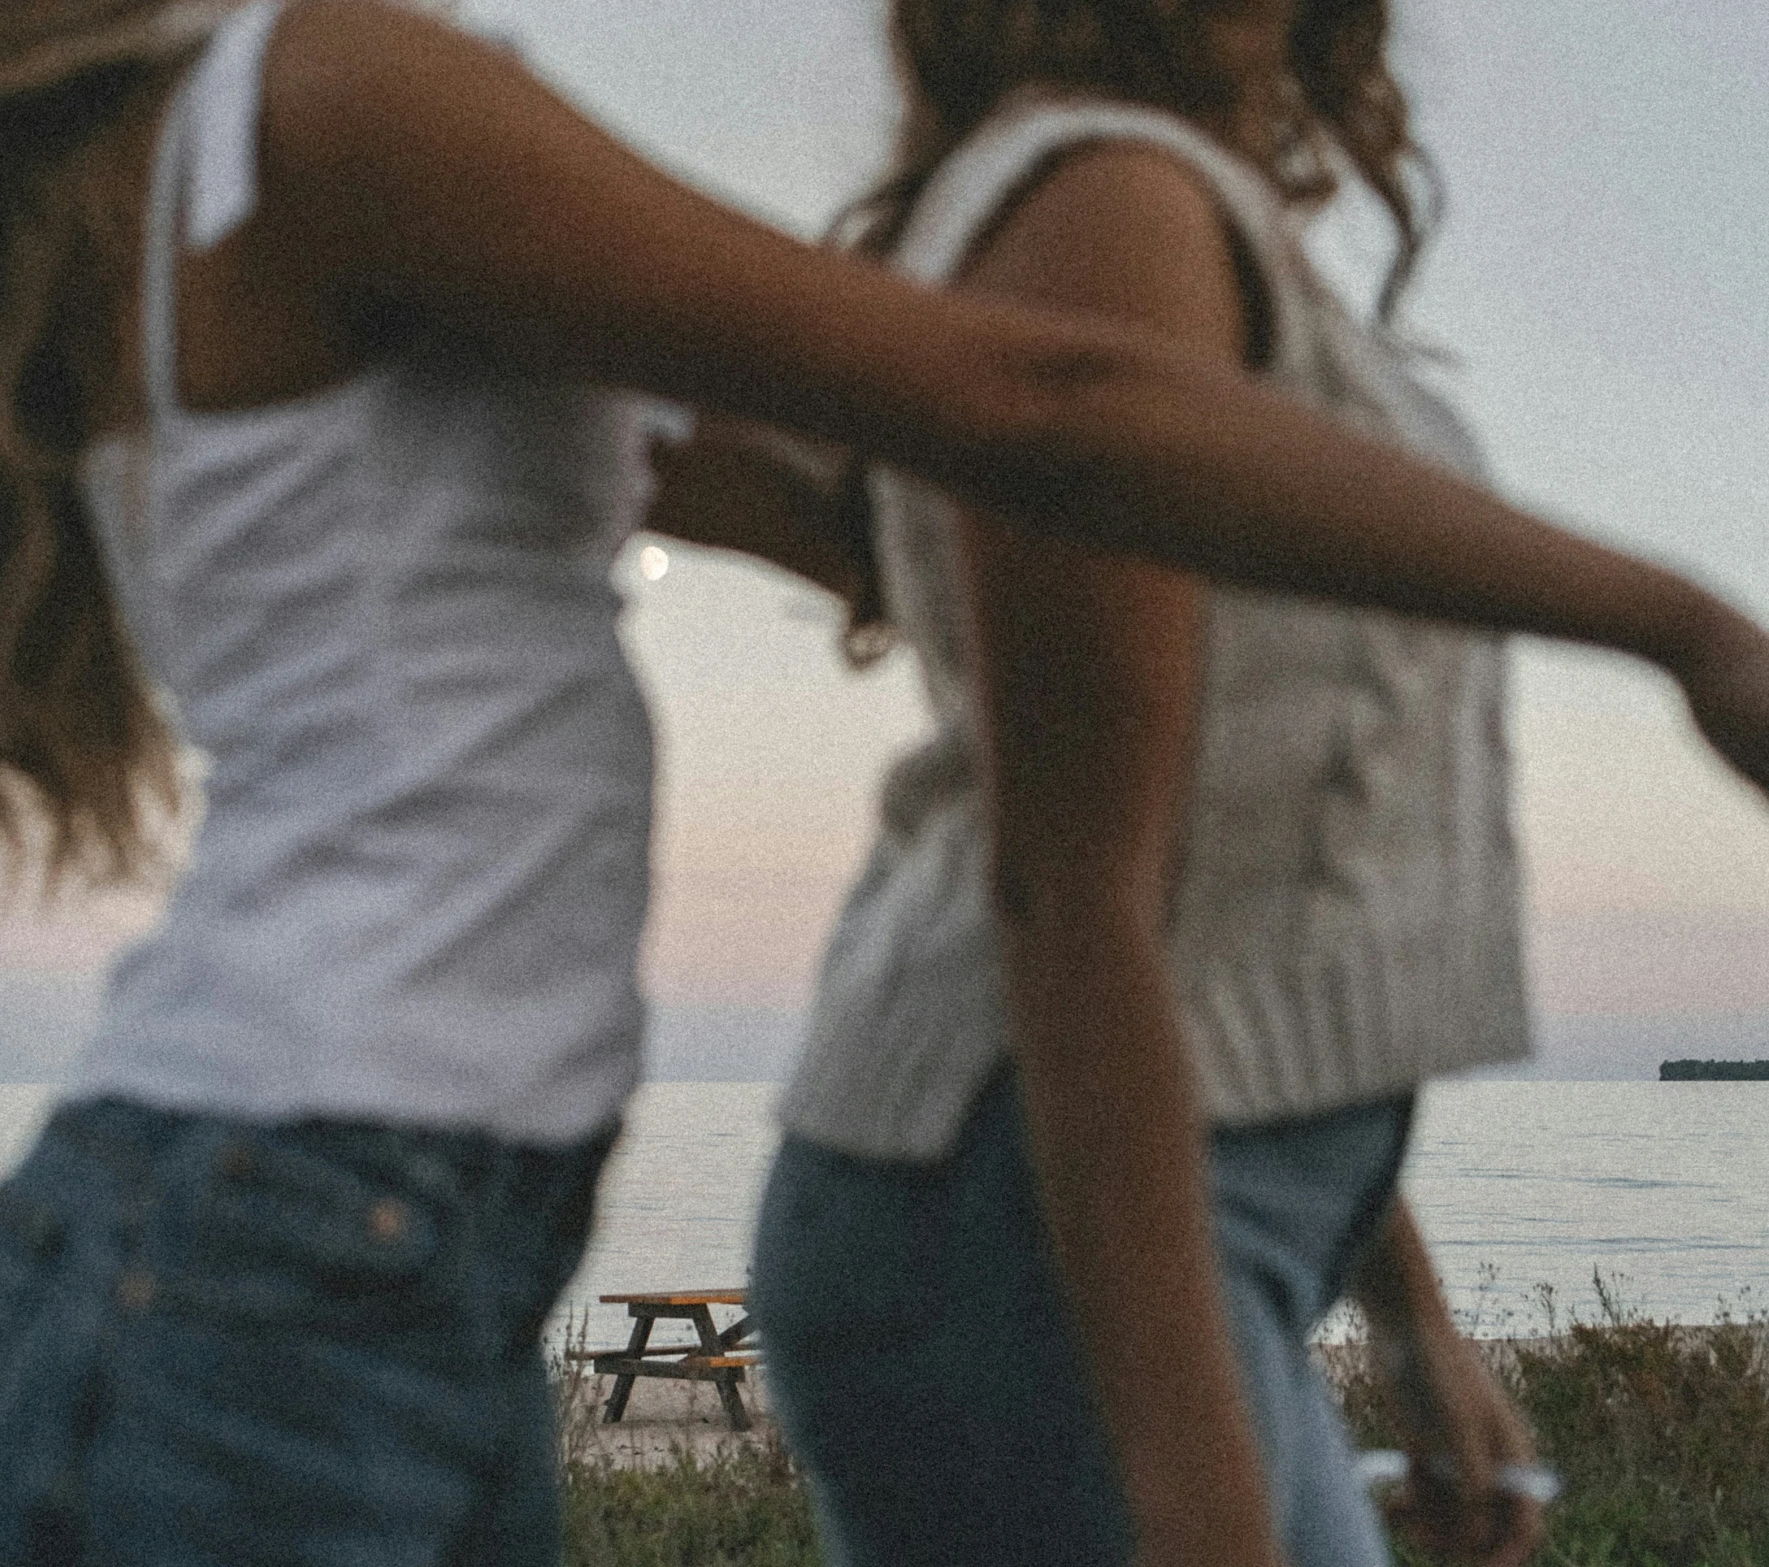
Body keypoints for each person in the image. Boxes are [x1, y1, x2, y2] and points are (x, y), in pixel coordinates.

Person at [0, 0, 1769, 1562]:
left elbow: (891, 517)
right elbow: (1033, 407)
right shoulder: (328, 103)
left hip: (312, 1255)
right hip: (263, 1272)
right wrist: (1675, 624)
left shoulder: (207, 183)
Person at [655, 1, 1688, 1564]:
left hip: (1162, 1208)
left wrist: (1407, 1321)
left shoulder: (1151, 212)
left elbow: (1236, 928)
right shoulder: (1101, 201)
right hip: (1029, 1226)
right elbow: (1072, 895)